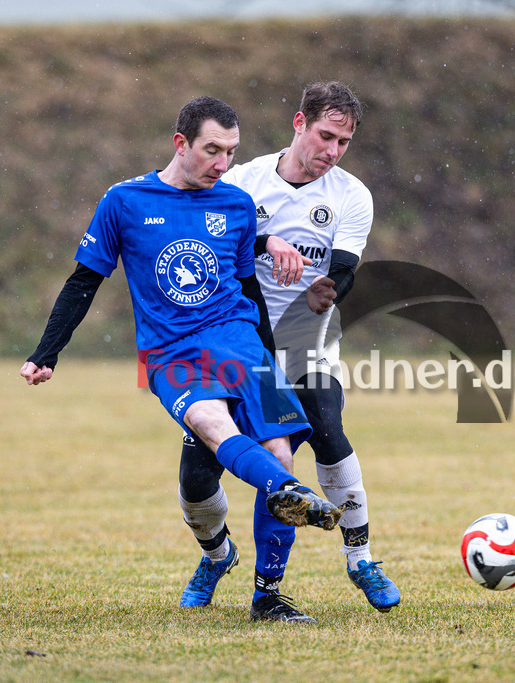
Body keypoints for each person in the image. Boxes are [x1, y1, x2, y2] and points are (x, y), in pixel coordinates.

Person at [19, 96, 345, 622]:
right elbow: (85, 281)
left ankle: (268, 596)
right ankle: (286, 498)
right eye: (212, 150)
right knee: (211, 425)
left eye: (231, 153)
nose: (223, 164)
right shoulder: (123, 201)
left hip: (239, 340)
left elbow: (246, 288)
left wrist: (271, 350)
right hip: (170, 352)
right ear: (180, 143)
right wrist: (46, 353)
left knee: (280, 453)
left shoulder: (235, 204)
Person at [177, 82, 400, 623]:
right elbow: (215, 249)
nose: (331, 150)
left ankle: (359, 558)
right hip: (238, 340)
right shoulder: (244, 180)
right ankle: (216, 554)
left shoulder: (351, 196)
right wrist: (264, 243)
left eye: (343, 142)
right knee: (198, 476)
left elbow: (343, 271)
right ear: (299, 124)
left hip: (309, 342)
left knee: (327, 431)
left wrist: (327, 293)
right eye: (325, 135)